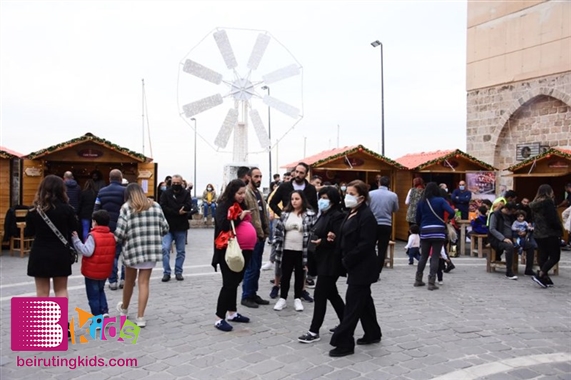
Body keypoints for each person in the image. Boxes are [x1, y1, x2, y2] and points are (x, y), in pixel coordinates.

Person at [329, 180, 381, 358]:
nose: (347, 196)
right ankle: (373, 332)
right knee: (364, 301)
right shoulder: (351, 212)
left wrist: (348, 260)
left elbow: (366, 244)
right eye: (347, 192)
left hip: (362, 267)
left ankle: (344, 342)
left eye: (352, 194)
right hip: (353, 265)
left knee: (352, 304)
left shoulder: (367, 217)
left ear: (361, 197)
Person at [115, 183, 169, 327]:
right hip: (151, 250)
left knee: (128, 281)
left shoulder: (126, 208)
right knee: (144, 283)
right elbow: (165, 228)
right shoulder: (156, 206)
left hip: (133, 249)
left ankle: (124, 309)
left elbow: (119, 233)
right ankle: (140, 317)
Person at [298, 186, 345, 343]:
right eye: (320, 197)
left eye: (325, 197)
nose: (321, 200)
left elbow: (336, 238)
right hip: (321, 260)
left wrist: (323, 241)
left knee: (320, 295)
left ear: (332, 199)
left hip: (331, 262)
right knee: (332, 294)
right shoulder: (323, 214)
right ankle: (346, 321)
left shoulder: (337, 216)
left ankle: (313, 331)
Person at [212, 179, 255, 332]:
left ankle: (232, 312)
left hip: (243, 249)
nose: (242, 196)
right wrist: (239, 218)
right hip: (227, 250)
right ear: (232, 192)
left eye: (244, 193)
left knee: (235, 282)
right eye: (239, 193)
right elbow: (224, 224)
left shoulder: (241, 204)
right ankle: (219, 317)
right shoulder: (223, 205)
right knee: (229, 283)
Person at [25, 175, 78, 298]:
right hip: (60, 252)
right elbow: (74, 228)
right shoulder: (67, 209)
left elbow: (29, 232)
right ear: (61, 190)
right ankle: (61, 317)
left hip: (40, 252)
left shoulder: (33, 211)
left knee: (42, 292)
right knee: (61, 290)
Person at [273, 190, 316, 312]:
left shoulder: (309, 214)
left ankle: (297, 298)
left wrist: (303, 229)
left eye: (297, 199)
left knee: (300, 274)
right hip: (286, 248)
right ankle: (283, 298)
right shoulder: (285, 213)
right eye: (292, 199)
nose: (294, 201)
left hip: (301, 250)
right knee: (285, 274)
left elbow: (314, 231)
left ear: (302, 199)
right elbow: (278, 230)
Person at [71, 210, 115, 317]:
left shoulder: (93, 236)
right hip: (104, 271)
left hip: (92, 272)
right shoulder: (111, 235)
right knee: (101, 290)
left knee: (93, 296)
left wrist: (76, 240)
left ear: (94, 222)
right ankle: (104, 311)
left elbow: (87, 251)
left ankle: (97, 316)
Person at [413, 182, 456, 290]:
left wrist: (421, 225)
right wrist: (447, 219)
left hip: (425, 230)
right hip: (438, 230)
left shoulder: (422, 201)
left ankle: (418, 279)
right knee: (435, 256)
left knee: (424, 256)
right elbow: (451, 211)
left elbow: (417, 218)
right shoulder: (441, 200)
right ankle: (431, 282)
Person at [240, 167, 271, 309]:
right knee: (251, 267)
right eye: (256, 176)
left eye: (260, 176)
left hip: (261, 236)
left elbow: (263, 214)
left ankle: (253, 293)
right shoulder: (245, 193)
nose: (258, 179)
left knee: (257, 266)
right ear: (249, 177)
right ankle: (246, 296)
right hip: (251, 236)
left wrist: (265, 232)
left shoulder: (258, 193)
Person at [94, 169, 126, 290]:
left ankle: (112, 280)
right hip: (124, 225)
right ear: (120, 178)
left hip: (108, 226)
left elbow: (96, 208)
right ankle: (124, 279)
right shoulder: (125, 191)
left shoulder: (101, 191)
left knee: (112, 254)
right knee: (125, 253)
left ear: (109, 178)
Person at [530, 184, 564, 288]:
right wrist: (559, 228)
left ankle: (545, 278)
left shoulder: (534, 204)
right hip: (550, 233)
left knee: (543, 255)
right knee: (555, 256)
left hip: (538, 233)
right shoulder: (548, 202)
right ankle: (541, 274)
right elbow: (552, 218)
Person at [160, 174, 192, 282]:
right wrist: (177, 211)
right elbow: (163, 207)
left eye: (178, 183)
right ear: (171, 183)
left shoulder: (186, 193)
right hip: (168, 227)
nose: (176, 185)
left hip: (181, 226)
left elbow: (188, 205)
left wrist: (179, 210)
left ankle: (178, 271)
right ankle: (166, 272)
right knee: (165, 249)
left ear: (182, 182)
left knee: (181, 251)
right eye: (174, 183)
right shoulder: (165, 193)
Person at [369, 176, 399, 275]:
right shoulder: (393, 195)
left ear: (379, 183)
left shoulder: (371, 194)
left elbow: (366, 207)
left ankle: (370, 267)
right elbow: (395, 209)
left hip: (372, 223)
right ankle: (378, 271)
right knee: (382, 249)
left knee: (370, 246)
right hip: (386, 224)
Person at [487, 202, 519, 280]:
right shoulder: (495, 215)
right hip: (498, 239)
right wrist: (503, 238)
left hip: (512, 237)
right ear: (508, 210)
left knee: (530, 245)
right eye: (512, 211)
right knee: (509, 247)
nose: (512, 213)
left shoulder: (511, 216)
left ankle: (528, 269)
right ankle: (509, 271)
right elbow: (492, 229)